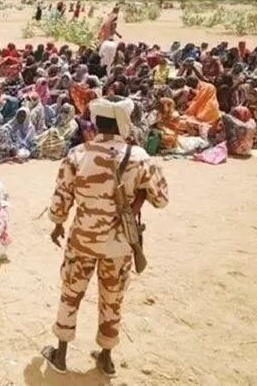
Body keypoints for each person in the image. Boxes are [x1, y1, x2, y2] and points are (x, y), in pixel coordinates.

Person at [42, 96, 169, 377]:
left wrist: (57, 224)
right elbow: (161, 199)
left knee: (71, 293)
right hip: (120, 243)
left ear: (96, 122)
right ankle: (107, 358)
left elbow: (61, 201)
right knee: (112, 298)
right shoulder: (139, 157)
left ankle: (60, 355)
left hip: (83, 238)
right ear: (123, 122)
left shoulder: (77, 154)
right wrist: (136, 201)